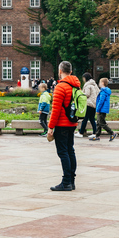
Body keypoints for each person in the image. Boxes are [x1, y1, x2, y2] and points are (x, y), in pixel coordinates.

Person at [46, 61, 80, 191]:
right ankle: (71, 181)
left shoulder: (60, 87)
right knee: (70, 150)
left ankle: (66, 182)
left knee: (63, 152)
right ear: (70, 71)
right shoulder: (76, 86)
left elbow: (56, 109)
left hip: (62, 124)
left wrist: (50, 127)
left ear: (60, 71)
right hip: (72, 123)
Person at [77, 74, 98, 138]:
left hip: (89, 103)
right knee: (92, 119)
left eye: (83, 78)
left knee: (85, 119)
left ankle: (81, 133)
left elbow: (87, 94)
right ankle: (95, 133)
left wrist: (80, 93)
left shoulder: (88, 85)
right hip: (94, 104)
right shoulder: (95, 85)